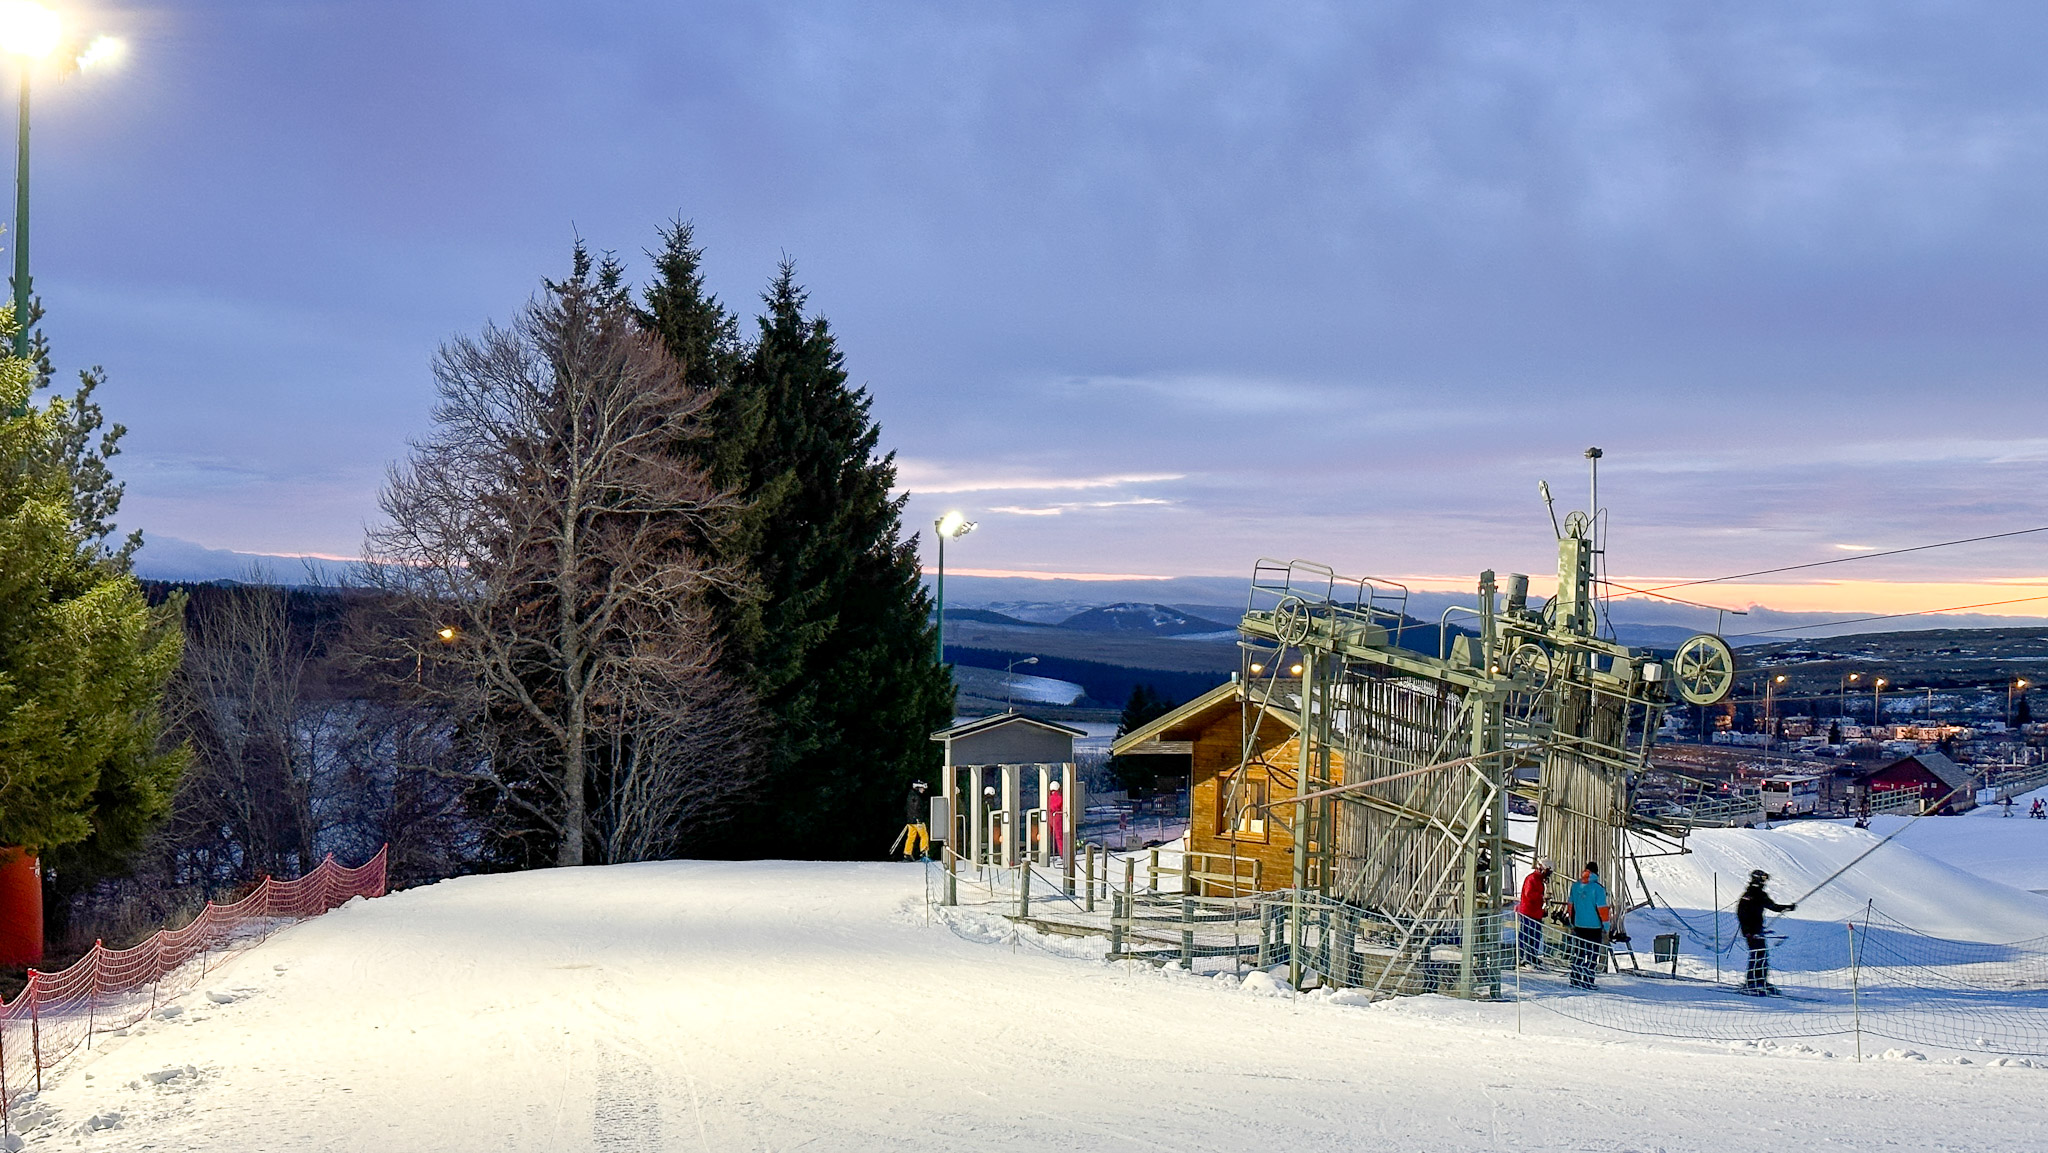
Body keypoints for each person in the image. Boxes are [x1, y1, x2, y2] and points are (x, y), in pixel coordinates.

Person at [1736, 868, 1796, 994]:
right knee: (1757, 955)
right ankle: (1752, 982)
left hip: (1758, 930)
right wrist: (1747, 931)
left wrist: (1788, 907)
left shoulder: (1760, 895)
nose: (1765, 882)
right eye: (1763, 879)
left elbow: (1773, 907)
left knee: (1762, 955)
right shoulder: (1750, 895)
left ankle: (1761, 980)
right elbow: (1741, 913)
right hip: (1751, 932)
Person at [1566, 860, 1610, 990]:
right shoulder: (1598, 888)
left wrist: (1572, 922)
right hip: (1594, 927)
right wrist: (1606, 926)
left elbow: (1570, 906)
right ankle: (1588, 980)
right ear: (1596, 872)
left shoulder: (1575, 886)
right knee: (1592, 954)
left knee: (1579, 952)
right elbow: (1602, 909)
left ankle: (1575, 978)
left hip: (1579, 925)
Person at [1516, 858, 1553, 967]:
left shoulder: (1540, 880)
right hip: (1528, 912)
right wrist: (1542, 897)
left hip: (1536, 913)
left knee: (1536, 936)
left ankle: (1532, 957)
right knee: (1526, 935)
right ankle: (1522, 957)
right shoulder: (1532, 879)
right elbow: (1529, 894)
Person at [900, 780, 931, 861]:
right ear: (917, 788)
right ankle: (924, 852)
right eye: (922, 788)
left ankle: (907, 853)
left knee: (910, 837)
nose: (923, 790)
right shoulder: (917, 797)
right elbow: (917, 809)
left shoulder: (910, 795)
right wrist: (919, 819)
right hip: (917, 820)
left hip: (910, 820)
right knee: (924, 835)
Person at [1047, 779, 1066, 857]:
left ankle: (1049, 852)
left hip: (1049, 816)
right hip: (1057, 817)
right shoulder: (1060, 797)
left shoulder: (1048, 798)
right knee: (1059, 837)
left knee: (1049, 835)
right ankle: (1062, 853)